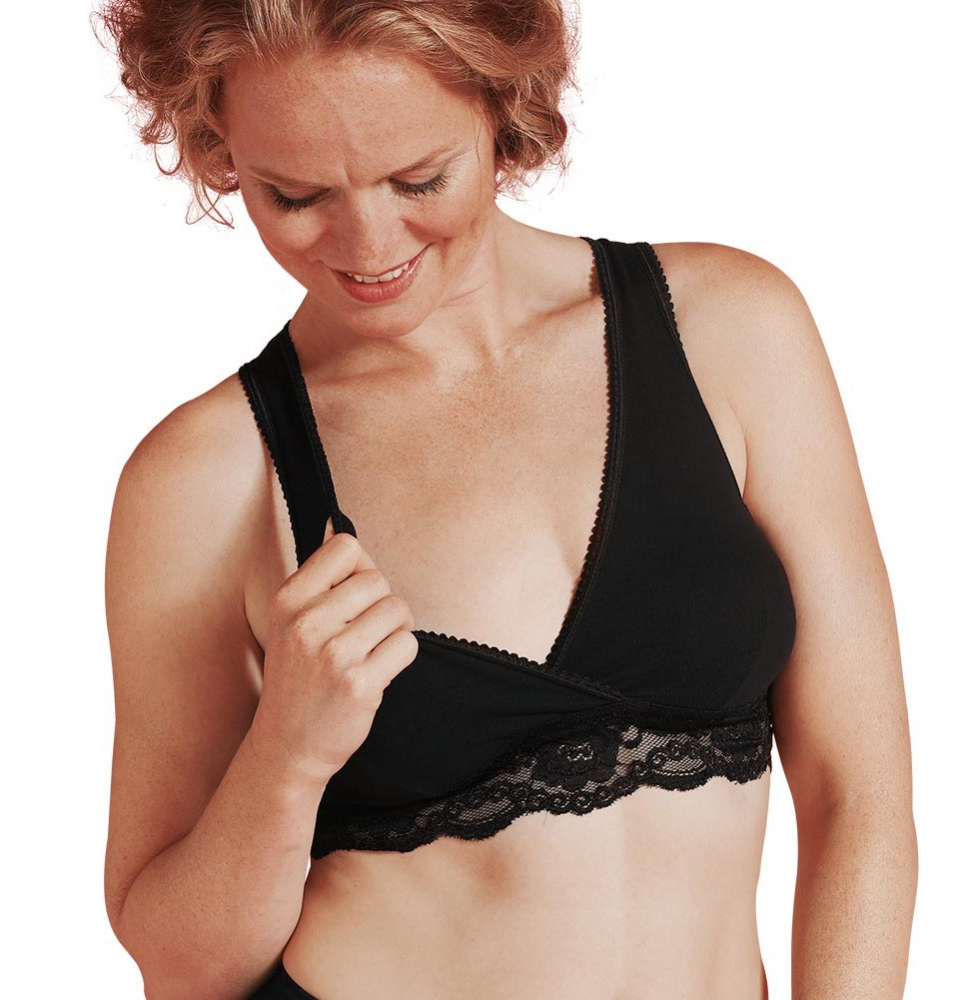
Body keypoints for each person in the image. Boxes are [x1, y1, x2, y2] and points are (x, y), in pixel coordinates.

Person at [94, 2, 917, 998]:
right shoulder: (208, 478)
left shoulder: (729, 330)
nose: (367, 243)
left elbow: (858, 796)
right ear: (219, 147)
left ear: (502, 104)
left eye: (418, 179)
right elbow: (180, 966)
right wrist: (287, 757)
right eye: (296, 195)